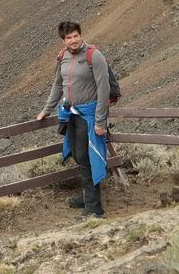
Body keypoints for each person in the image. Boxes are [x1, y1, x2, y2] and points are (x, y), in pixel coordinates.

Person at [36, 20, 110, 218]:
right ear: (63, 41)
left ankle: (94, 208)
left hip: (90, 115)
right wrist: (47, 110)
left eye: (76, 36)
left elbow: (104, 89)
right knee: (78, 156)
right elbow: (58, 85)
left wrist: (101, 121)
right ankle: (87, 197)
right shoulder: (63, 57)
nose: (74, 40)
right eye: (69, 37)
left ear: (81, 35)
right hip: (72, 115)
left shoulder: (94, 55)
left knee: (87, 158)